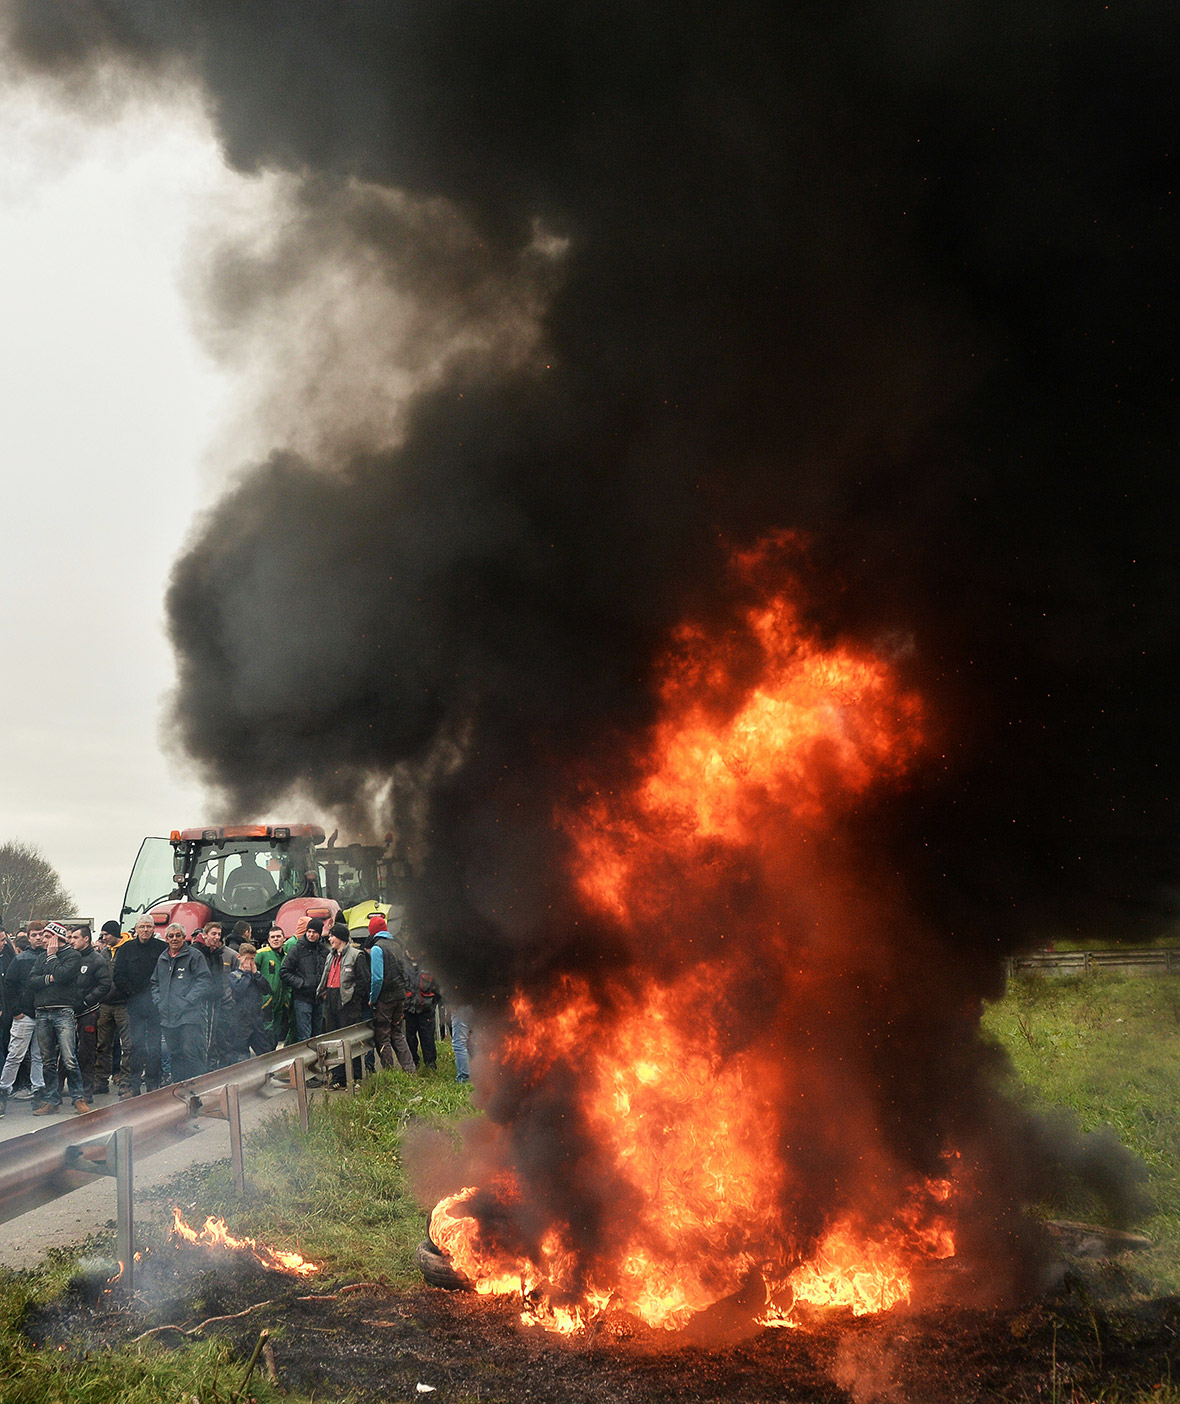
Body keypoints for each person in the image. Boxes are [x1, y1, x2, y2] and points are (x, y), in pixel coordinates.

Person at [29, 921, 90, 1115]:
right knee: (47, 1059)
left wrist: (53, 957)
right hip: (42, 1011)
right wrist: (50, 979)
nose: (43, 940)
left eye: (47, 937)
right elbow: (32, 981)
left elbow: (63, 975)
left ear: (57, 938)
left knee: (69, 1057)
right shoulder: (40, 958)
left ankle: (78, 1098)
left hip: (63, 1011)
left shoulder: (73, 955)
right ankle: (52, 1100)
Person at [153, 923, 214, 1083]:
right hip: (168, 1017)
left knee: (191, 1053)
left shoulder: (194, 956)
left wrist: (187, 1000)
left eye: (178, 935)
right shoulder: (162, 958)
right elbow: (155, 982)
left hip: (190, 1016)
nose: (174, 939)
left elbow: (204, 980)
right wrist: (158, 1001)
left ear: (183, 937)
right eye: (171, 936)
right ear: (166, 939)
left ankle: (198, 1088)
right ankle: (179, 1088)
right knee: (175, 1054)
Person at [112, 917, 166, 1096]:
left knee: (155, 1046)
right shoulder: (126, 949)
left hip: (156, 1004)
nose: (145, 930)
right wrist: (132, 993)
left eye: (148, 927)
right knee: (135, 1046)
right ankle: (134, 1085)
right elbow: (118, 975)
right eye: (142, 926)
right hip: (135, 1004)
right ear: (136, 929)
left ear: (153, 929)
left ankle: (153, 1083)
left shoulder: (161, 948)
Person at [0, 931, 46, 1114]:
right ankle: (3, 1091)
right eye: (34, 934)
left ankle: (39, 1092)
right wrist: (16, 1011)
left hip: (43, 1013)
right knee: (15, 1055)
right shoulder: (20, 960)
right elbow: (9, 986)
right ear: (28, 936)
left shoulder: (50, 958)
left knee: (39, 1056)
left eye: (41, 934)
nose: (38, 938)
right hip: (24, 1015)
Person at [66, 924, 113, 1103]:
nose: (72, 941)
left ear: (86, 939)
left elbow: (104, 985)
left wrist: (86, 1001)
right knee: (66, 1052)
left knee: (86, 1053)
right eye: (71, 938)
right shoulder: (70, 958)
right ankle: (61, 1091)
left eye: (75, 938)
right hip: (69, 1011)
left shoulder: (96, 959)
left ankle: (86, 1092)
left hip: (88, 1012)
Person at [368, 912, 416, 1073]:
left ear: (372, 931)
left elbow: (377, 979)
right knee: (397, 1033)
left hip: (385, 998)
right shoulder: (397, 945)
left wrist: (372, 999)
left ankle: (389, 1072)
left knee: (383, 1036)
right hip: (400, 995)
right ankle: (410, 1069)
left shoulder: (377, 948)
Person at [193, 922, 239, 1068]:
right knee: (203, 1038)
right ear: (205, 934)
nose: (217, 937)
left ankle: (211, 1068)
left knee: (213, 1038)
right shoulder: (195, 952)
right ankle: (202, 1070)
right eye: (213, 934)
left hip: (216, 1000)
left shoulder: (218, 954)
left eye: (219, 934)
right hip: (200, 1001)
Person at [94, 921, 132, 1095]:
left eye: (106, 934)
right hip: (105, 1004)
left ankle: (125, 1079)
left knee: (128, 1044)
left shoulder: (129, 949)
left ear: (115, 933)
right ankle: (101, 1079)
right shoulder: (103, 953)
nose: (104, 938)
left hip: (124, 1004)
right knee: (103, 1044)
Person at [280, 917, 328, 1042]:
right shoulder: (297, 949)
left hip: (319, 999)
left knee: (317, 1035)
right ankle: (306, 1061)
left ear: (320, 933)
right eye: (309, 931)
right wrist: (301, 984)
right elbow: (284, 972)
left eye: (314, 932)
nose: (311, 935)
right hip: (302, 998)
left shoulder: (324, 951)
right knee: (304, 1036)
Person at [225, 944, 274, 1061]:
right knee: (241, 1056)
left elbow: (267, 989)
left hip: (256, 1019)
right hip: (240, 1021)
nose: (249, 962)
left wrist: (256, 974)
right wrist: (247, 973)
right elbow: (239, 990)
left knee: (265, 1053)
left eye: (252, 959)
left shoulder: (255, 975)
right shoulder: (233, 976)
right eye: (246, 958)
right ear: (239, 957)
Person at [404, 955, 441, 1073]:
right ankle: (414, 1063)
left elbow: (438, 987)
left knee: (428, 1038)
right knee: (410, 1039)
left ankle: (430, 1065)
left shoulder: (429, 964)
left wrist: (432, 1003)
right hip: (409, 1009)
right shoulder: (403, 965)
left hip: (426, 1010)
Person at [255, 925, 290, 1046]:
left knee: (277, 1034)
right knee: (266, 1033)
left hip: (281, 1001)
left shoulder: (286, 956)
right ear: (268, 940)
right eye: (273, 937)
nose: (275, 939)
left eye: (278, 936)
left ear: (284, 939)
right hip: (266, 1001)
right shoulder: (261, 954)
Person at [450, 1002, 474, 1084]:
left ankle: (463, 1078)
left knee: (459, 1044)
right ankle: (481, 1072)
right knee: (472, 1042)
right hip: (475, 1006)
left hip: (461, 1007)